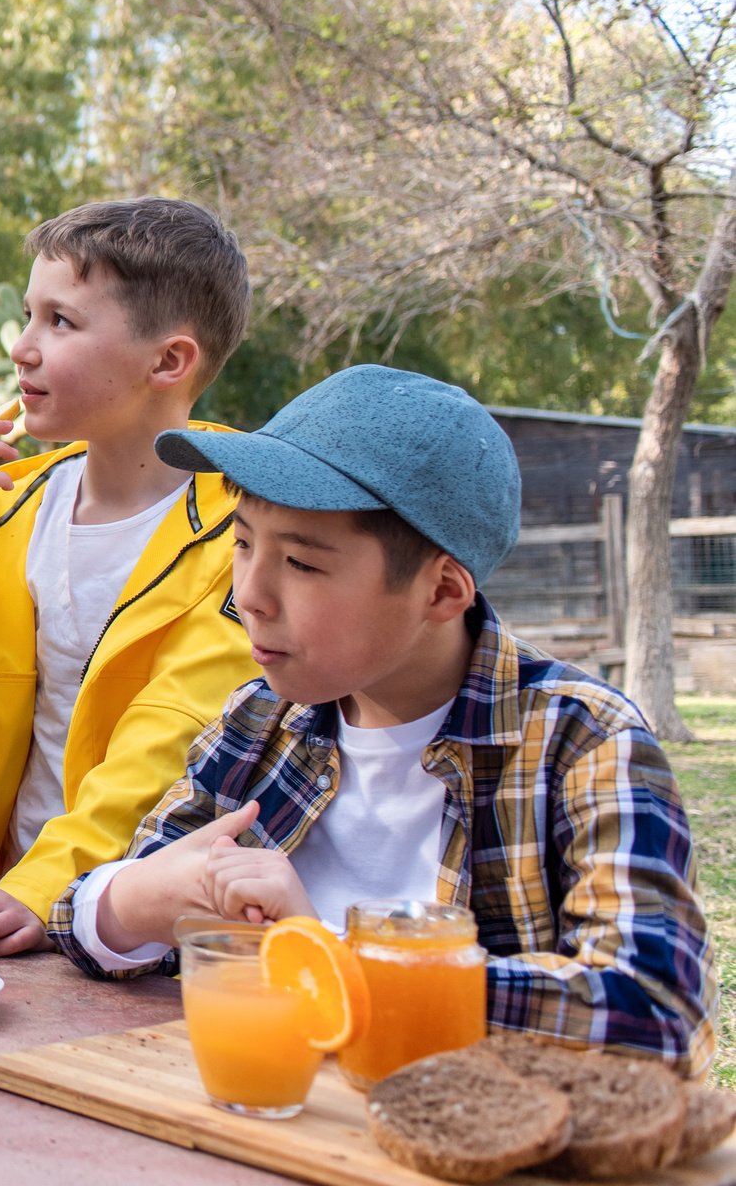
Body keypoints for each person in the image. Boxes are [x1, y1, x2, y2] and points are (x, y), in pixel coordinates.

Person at [51, 366, 718, 1071]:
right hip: (260, 1130)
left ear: (441, 589)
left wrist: (335, 966)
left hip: (466, 1156)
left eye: (302, 564)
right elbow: (86, 922)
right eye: (244, 543)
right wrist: (134, 901)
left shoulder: (582, 741)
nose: (250, 594)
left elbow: (659, 1012)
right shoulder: (263, 723)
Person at [0, 199, 258, 957]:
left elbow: (169, 749)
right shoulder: (10, 507)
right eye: (28, 315)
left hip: (152, 926)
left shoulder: (244, 529)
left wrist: (40, 888)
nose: (23, 348)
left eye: (60, 322)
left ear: (168, 362)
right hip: (4, 908)